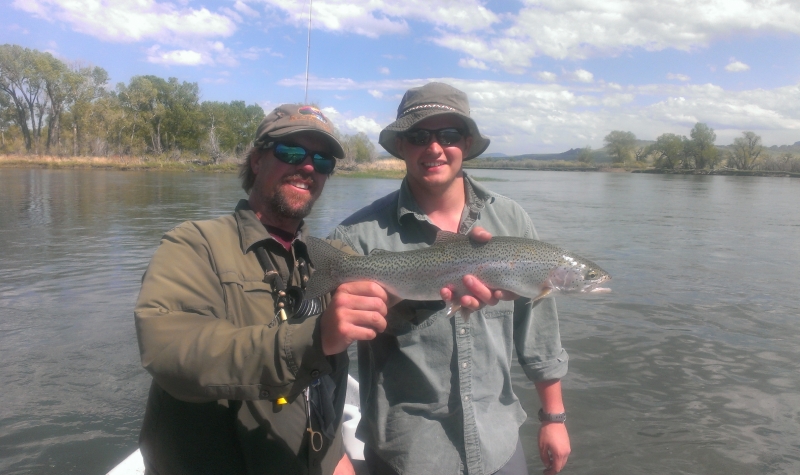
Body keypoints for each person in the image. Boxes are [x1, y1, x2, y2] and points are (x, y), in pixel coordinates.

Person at [134, 104, 392, 475]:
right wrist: (316, 339)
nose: (308, 167)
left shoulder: (334, 259)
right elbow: (170, 351)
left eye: (322, 161)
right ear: (256, 161)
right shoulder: (194, 245)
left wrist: (469, 268)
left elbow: (394, 287)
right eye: (291, 152)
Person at [330, 83, 572, 475]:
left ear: (467, 142)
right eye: (419, 136)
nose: (435, 148)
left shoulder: (512, 221)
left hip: (499, 445)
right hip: (406, 453)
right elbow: (324, 353)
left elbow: (538, 330)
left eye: (449, 135)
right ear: (402, 146)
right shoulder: (355, 238)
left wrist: (554, 418)